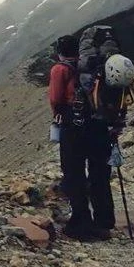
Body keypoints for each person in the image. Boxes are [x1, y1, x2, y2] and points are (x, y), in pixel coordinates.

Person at [49, 35, 114, 242]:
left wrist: (59, 116)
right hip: (100, 126)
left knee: (74, 174)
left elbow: (55, 98)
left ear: (60, 50)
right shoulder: (97, 66)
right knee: (100, 174)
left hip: (74, 127)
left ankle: (81, 224)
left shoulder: (60, 69)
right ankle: (104, 222)